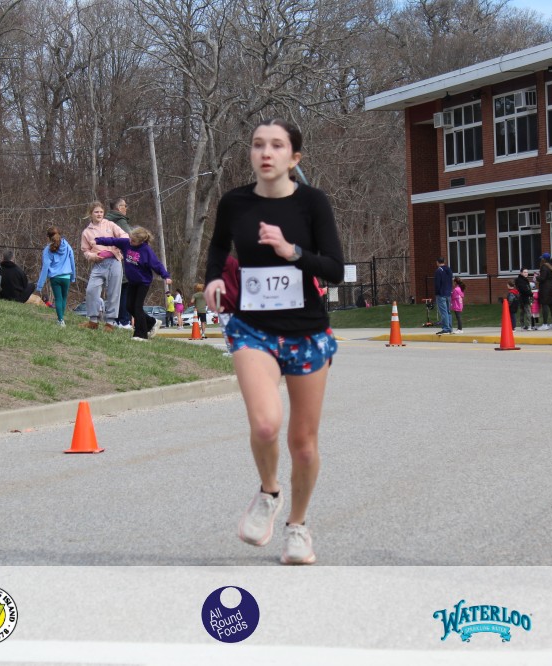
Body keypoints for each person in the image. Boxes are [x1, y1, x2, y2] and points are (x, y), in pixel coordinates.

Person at [203, 118, 343, 565]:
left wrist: (291, 252)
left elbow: (335, 268)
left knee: (303, 443)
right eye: (258, 144)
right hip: (253, 329)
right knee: (265, 425)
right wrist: (212, 279)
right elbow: (218, 248)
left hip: (307, 332)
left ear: (294, 157)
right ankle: (269, 493)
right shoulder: (235, 202)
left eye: (277, 146)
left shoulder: (312, 203)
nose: (266, 152)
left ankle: (298, 527)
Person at [94, 227, 172, 341]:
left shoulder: (146, 250)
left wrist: (166, 276)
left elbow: (156, 264)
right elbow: (112, 240)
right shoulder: (126, 243)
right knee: (129, 307)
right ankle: (152, 322)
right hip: (132, 281)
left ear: (141, 241)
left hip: (143, 283)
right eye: (130, 238)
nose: (131, 241)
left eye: (134, 241)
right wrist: (97, 240)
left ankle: (141, 335)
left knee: (137, 307)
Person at [80, 201, 128, 331]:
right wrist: (92, 256)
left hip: (114, 261)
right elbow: (85, 251)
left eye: (101, 212)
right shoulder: (86, 232)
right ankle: (93, 321)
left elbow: (125, 236)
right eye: (96, 212)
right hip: (98, 264)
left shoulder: (110, 225)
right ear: (91, 213)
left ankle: (110, 323)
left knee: (114, 292)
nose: (99, 214)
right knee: (91, 290)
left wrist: (118, 244)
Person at [36, 227, 77, 326]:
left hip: (55, 277)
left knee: (58, 298)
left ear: (48, 237)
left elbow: (45, 267)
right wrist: (73, 276)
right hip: (66, 276)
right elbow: (72, 261)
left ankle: (60, 320)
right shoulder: (67, 246)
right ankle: (61, 318)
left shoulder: (47, 249)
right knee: (64, 298)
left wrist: (39, 286)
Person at [105, 197, 134, 329]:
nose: (126, 208)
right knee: (124, 290)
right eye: (124, 206)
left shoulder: (105, 221)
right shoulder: (120, 220)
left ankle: (115, 320)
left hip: (108, 260)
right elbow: (131, 237)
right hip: (122, 260)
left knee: (115, 291)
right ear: (118, 208)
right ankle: (124, 321)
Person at [537, 253, 552, 330]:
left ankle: (545, 324)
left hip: (545, 288)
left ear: (544, 259)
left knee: (544, 304)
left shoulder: (544, 266)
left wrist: (537, 277)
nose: (541, 260)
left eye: (542, 258)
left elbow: (543, 278)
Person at [434, 257, 453, 335]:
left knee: (443, 311)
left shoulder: (438, 270)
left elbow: (437, 283)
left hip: (441, 293)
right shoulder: (449, 269)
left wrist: (437, 292)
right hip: (448, 293)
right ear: (444, 261)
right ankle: (450, 328)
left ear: (437, 262)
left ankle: (446, 328)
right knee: (448, 311)